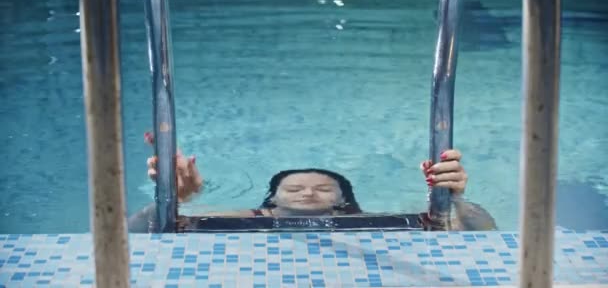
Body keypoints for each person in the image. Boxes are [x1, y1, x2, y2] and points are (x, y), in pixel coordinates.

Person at [128, 133, 496, 231]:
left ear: (343, 198)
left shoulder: (369, 221)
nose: (307, 192)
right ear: (273, 197)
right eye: (294, 188)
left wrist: (454, 201)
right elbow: (138, 232)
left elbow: (483, 231)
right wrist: (176, 201)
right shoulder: (250, 217)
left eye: (323, 189)